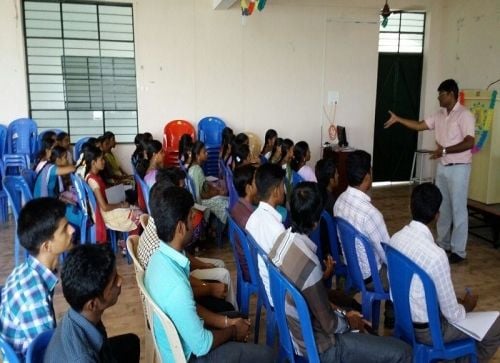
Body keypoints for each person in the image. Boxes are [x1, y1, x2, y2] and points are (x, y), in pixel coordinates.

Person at [269, 182, 412, 363]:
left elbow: (312, 300)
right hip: (321, 348)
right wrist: (349, 321)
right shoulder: (310, 265)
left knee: (352, 311)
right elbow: (330, 325)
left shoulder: (281, 241)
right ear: (316, 222)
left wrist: (344, 313)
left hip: (294, 337)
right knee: (403, 352)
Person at [145, 185, 275, 362]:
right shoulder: (177, 287)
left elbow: (190, 308)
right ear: (181, 227)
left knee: (239, 318)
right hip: (189, 356)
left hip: (182, 340)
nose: (195, 223)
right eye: (192, 218)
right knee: (268, 356)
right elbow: (202, 346)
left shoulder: (158, 258)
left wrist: (227, 323)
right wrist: (233, 330)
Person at [390, 183, 500, 361]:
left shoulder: (395, 238)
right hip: (428, 332)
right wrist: (467, 306)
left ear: (411, 207)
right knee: (496, 325)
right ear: (437, 215)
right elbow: (453, 315)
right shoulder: (436, 255)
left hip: (404, 320)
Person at [384, 79, 475, 264]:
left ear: (450, 94)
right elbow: (419, 125)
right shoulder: (440, 114)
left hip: (459, 168)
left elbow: (469, 142)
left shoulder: (465, 115)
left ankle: (459, 251)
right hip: (443, 166)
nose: (438, 97)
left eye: (441, 94)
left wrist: (444, 150)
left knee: (458, 210)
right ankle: (443, 243)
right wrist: (398, 119)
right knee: (442, 206)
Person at [138, 180, 237, 311]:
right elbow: (182, 287)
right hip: (173, 303)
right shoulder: (160, 244)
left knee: (219, 266)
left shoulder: (160, 232)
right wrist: (208, 288)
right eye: (191, 217)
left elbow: (182, 260)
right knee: (223, 274)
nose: (193, 222)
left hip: (175, 292)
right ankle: (232, 311)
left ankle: (230, 309)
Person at [0, 198, 74, 359]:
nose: (72, 230)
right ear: (47, 246)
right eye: (64, 229)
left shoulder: (24, 269)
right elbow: (50, 357)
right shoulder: (35, 300)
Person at [44, 244, 140, 362]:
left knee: (131, 342)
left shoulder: (80, 313)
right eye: (114, 281)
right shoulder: (83, 358)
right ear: (93, 305)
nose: (120, 281)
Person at [333, 149, 394, 328]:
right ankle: (392, 315)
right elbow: (387, 255)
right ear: (368, 177)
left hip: (352, 268)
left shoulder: (339, 202)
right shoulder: (371, 214)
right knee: (403, 272)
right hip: (371, 278)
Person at [246, 163, 286, 304]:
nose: (284, 190)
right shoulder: (277, 229)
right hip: (277, 296)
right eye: (282, 186)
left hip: (263, 288)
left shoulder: (252, 218)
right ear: (275, 191)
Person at [84, 146, 143, 243]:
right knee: (139, 215)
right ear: (93, 163)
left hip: (102, 209)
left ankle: (126, 240)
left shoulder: (92, 175)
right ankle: (128, 244)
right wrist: (120, 205)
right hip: (103, 214)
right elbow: (105, 207)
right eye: (101, 159)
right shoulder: (92, 180)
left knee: (134, 208)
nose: (104, 161)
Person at [188, 141, 229, 226]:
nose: (207, 154)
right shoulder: (197, 170)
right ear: (197, 155)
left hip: (198, 199)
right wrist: (218, 193)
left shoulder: (193, 167)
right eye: (204, 152)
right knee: (226, 204)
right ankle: (219, 229)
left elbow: (202, 186)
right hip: (201, 203)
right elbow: (202, 195)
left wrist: (214, 188)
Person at [230, 164, 258, 282]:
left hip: (245, 265)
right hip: (252, 270)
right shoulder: (250, 218)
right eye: (257, 181)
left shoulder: (237, 207)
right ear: (248, 188)